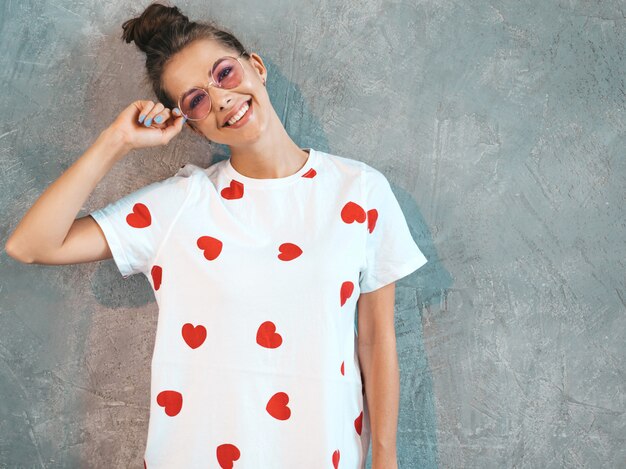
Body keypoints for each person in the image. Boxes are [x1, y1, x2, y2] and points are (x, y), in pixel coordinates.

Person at [5, 3, 428, 468]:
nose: (221, 98)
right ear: (188, 120)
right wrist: (117, 141)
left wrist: (385, 460)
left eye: (223, 73)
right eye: (195, 100)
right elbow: (30, 245)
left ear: (257, 67)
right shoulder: (179, 205)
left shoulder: (361, 191)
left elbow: (375, 338)